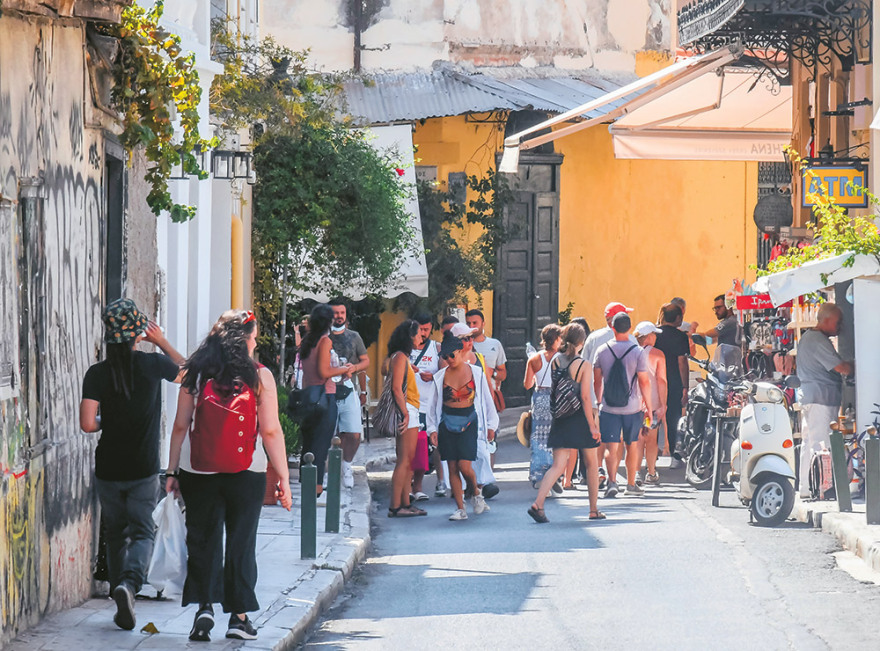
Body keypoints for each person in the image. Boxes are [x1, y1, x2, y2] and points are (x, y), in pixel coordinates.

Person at [165, 310, 293, 642]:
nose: (255, 341)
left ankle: (204, 608)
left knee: (203, 541)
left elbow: (180, 426)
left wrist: (172, 470)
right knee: (241, 543)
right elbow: (270, 431)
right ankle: (238, 618)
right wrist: (282, 477)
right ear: (245, 339)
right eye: (253, 336)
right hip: (246, 472)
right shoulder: (259, 376)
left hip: (199, 470)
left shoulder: (194, 374)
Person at [79, 298, 184, 631]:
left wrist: (105, 420)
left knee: (114, 533)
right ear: (138, 332)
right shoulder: (153, 365)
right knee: (142, 533)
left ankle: (117, 592)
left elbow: (86, 424)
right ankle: (129, 585)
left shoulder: (97, 373)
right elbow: (188, 374)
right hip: (142, 468)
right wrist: (161, 341)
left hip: (108, 468)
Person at [527, 324, 603, 523]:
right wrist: (593, 426)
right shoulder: (583, 364)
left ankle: (539, 503)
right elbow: (586, 398)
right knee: (591, 463)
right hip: (580, 417)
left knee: (558, 465)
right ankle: (593, 509)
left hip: (560, 416)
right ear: (581, 342)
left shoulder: (555, 361)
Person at [427, 332, 498, 521]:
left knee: (465, 466)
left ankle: (475, 492)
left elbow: (486, 400)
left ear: (460, 352)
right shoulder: (440, 377)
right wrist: (432, 429)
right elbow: (433, 406)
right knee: (452, 466)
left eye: (453, 355)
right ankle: (460, 508)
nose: (449, 359)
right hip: (447, 423)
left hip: (469, 420)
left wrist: (492, 425)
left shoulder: (477, 373)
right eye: (446, 357)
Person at [593, 312, 654, 497]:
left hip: (609, 407)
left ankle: (612, 482)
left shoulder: (602, 350)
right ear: (629, 328)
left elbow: (597, 380)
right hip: (633, 407)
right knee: (631, 445)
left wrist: (598, 401)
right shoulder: (637, 352)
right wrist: (648, 408)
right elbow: (644, 382)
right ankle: (630, 484)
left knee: (611, 446)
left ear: (612, 328)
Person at [796, 303, 853, 498]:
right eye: (837, 323)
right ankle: (819, 488)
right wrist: (855, 366)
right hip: (821, 398)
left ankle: (806, 487)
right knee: (820, 443)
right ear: (827, 320)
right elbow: (840, 367)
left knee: (809, 441)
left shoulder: (808, 338)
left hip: (812, 397)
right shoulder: (817, 341)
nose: (839, 327)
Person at [298, 304, 353, 496]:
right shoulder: (324, 342)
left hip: (308, 395)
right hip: (324, 396)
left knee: (309, 441)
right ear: (328, 321)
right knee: (321, 442)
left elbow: (307, 373)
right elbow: (324, 372)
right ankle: (316, 486)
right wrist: (344, 369)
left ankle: (307, 481)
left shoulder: (306, 341)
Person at [582, 302, 636, 486]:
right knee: (619, 440)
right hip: (626, 398)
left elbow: (585, 366)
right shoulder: (632, 341)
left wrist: (591, 397)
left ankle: (599, 471)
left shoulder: (593, 338)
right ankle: (617, 477)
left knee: (599, 437)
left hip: (597, 396)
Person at [445, 322, 500, 499]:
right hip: (456, 415)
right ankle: (466, 486)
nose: (470, 342)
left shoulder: (479, 358)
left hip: (478, 414)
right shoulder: (447, 361)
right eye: (467, 338)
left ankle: (481, 485)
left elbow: (486, 390)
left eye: (471, 338)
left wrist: (492, 421)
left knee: (481, 451)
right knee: (461, 455)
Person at [386, 320, 426, 517]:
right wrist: (405, 412)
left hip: (411, 408)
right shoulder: (400, 357)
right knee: (404, 459)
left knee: (409, 460)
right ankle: (396, 505)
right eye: (418, 334)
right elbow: (396, 387)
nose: (421, 337)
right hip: (407, 408)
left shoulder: (402, 357)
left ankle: (404, 503)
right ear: (409, 336)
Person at [328, 299, 370, 489]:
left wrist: (355, 367)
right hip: (326, 391)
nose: (339, 316)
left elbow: (366, 361)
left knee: (353, 434)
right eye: (335, 313)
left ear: (346, 315)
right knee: (328, 434)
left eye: (342, 313)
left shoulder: (355, 337)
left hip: (348, 389)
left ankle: (347, 465)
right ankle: (329, 473)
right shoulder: (322, 337)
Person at [523, 324, 563, 487]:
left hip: (540, 396)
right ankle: (554, 473)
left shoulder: (534, 358)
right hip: (556, 397)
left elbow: (527, 384)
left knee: (539, 437)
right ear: (557, 339)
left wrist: (536, 379)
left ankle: (538, 474)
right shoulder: (562, 358)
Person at [409, 313, 442, 499]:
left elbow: (446, 373)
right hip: (410, 406)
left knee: (423, 449)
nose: (423, 333)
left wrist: (434, 377)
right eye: (420, 329)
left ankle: (419, 487)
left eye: (426, 329)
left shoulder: (436, 348)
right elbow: (385, 368)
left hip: (428, 407)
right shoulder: (404, 349)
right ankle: (407, 487)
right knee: (409, 449)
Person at [653, 302, 690, 465]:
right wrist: (685, 386)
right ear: (677, 318)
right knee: (674, 418)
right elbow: (682, 362)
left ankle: (651, 452)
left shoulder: (655, 334)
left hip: (654, 381)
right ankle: (675, 455)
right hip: (673, 381)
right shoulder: (680, 336)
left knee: (654, 418)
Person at [634, 321, 667, 485]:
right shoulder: (658, 354)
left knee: (637, 439)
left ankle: (636, 472)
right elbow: (661, 381)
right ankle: (651, 472)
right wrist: (663, 404)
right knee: (651, 440)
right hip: (651, 405)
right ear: (647, 337)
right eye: (654, 334)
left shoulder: (631, 352)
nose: (655, 337)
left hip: (633, 405)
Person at [466, 308, 507, 416]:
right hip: (467, 397)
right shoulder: (462, 345)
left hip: (489, 397)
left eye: (475, 323)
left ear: (483, 324)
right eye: (468, 323)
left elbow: (503, 374)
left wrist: (492, 373)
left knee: (491, 431)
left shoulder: (495, 344)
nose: (471, 326)